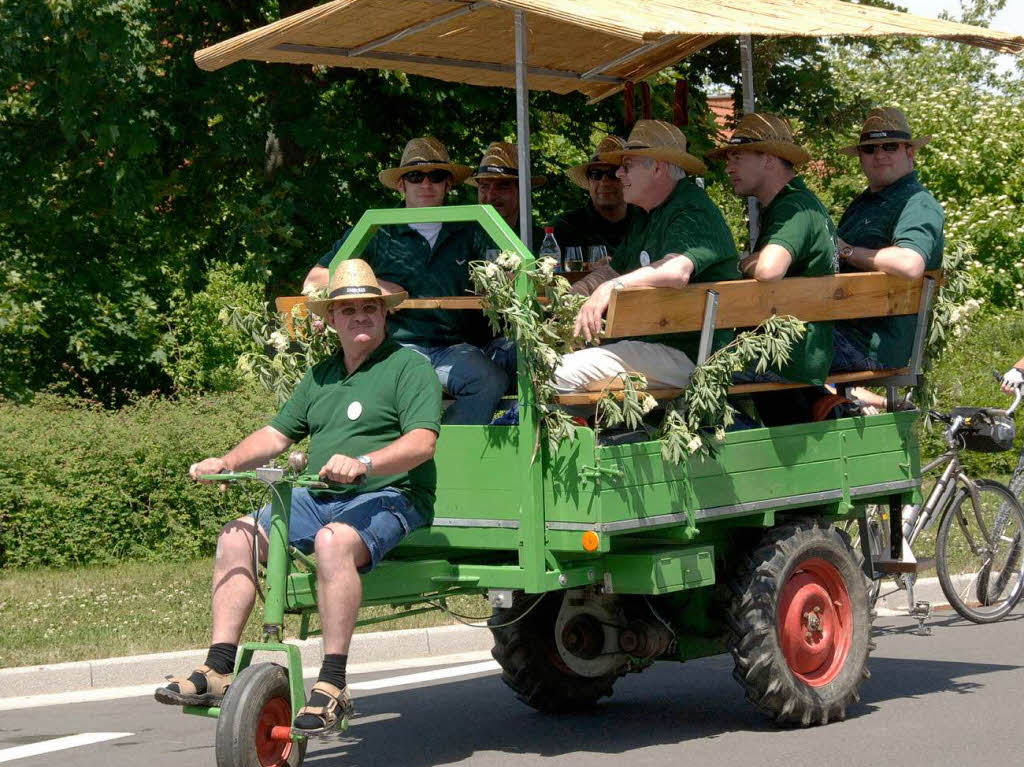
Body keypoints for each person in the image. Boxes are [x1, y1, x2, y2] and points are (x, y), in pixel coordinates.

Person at [155, 260, 441, 736]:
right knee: (236, 536)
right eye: (348, 310)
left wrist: (365, 463)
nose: (360, 317)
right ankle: (217, 668)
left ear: (385, 314)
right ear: (331, 320)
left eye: (369, 308)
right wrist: (226, 462)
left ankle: (332, 684)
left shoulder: (409, 367)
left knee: (332, 542)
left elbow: (421, 443)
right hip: (320, 494)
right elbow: (276, 433)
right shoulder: (321, 375)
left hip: (391, 493)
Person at [303, 136, 509, 425]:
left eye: (436, 176)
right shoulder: (377, 228)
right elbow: (315, 279)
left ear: (448, 184)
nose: (426, 184)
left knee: (489, 380)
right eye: (415, 176)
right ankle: (401, 457)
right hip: (398, 346)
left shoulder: (472, 226)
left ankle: (447, 456)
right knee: (404, 386)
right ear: (401, 185)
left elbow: (508, 272)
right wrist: (379, 287)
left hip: (457, 348)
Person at [550, 119, 739, 393]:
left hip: (693, 355)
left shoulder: (692, 209)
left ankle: (593, 435)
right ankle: (610, 434)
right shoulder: (646, 211)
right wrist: (576, 293)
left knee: (555, 374)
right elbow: (614, 269)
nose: (618, 174)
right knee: (548, 362)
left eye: (627, 166)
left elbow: (676, 270)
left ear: (658, 168)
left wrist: (608, 289)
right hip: (656, 344)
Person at [707, 112, 838, 385]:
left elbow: (769, 269)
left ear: (767, 159)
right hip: (795, 350)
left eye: (738, 159)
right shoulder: (797, 202)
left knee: (692, 372)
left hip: (787, 357)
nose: (729, 168)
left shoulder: (792, 207)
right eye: (729, 160)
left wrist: (746, 263)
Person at [831, 107, 945, 373]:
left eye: (889, 146)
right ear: (860, 157)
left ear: (909, 152)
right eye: (870, 149)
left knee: (736, 361)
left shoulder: (917, 203)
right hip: (838, 327)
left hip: (869, 346)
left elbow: (910, 263)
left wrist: (846, 250)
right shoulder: (862, 203)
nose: (879, 155)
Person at [551, 135, 636, 257]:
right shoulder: (564, 227)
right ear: (589, 181)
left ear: (628, 177)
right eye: (596, 174)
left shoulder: (647, 223)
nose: (604, 182)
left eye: (613, 173)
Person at [467, 141, 545, 248]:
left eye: (502, 187)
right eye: (484, 186)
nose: (490, 196)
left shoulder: (539, 241)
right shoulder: (462, 240)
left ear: (522, 192)